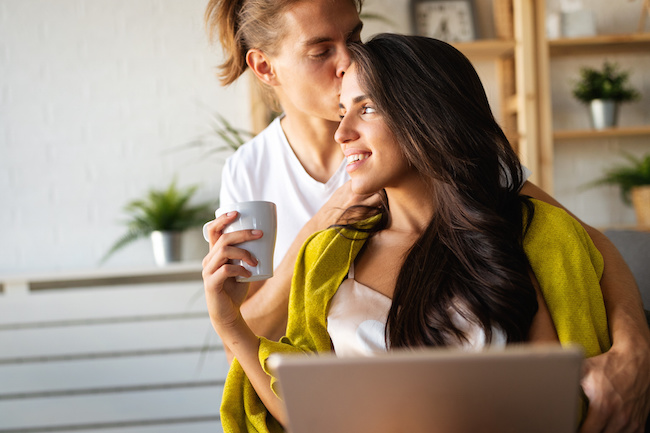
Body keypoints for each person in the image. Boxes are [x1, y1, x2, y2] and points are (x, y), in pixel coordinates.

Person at [204, 1, 650, 430]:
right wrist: (311, 236)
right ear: (264, 66)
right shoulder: (253, 171)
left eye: (355, 35)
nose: (347, 60)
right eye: (320, 50)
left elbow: (575, 242)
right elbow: (253, 347)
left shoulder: (438, 158)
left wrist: (634, 349)